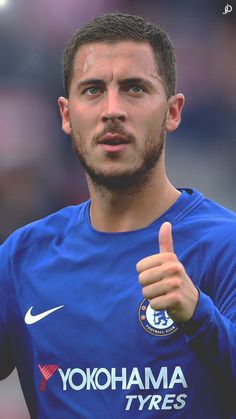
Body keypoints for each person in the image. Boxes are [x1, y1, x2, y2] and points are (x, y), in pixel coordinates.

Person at [0, 12, 235, 419]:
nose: (112, 110)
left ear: (173, 112)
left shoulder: (225, 245)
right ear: (67, 115)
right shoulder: (22, 257)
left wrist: (199, 315)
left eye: (134, 89)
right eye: (92, 90)